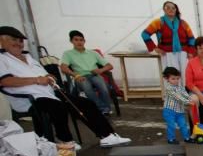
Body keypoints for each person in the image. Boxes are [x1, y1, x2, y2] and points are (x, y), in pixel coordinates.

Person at [0, 27, 129, 147]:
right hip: (31, 98)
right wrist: (37, 80)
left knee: (85, 103)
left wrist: (49, 76)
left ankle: (107, 136)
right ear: (1, 40)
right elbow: (5, 81)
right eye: (13, 40)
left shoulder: (28, 57)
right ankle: (65, 140)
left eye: (21, 41)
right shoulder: (2, 59)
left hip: (50, 92)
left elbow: (43, 73)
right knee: (58, 106)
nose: (18, 43)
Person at [59, 30, 114, 116]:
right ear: (71, 41)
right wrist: (75, 75)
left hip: (94, 75)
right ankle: (103, 108)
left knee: (103, 86)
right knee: (86, 86)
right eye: (76, 40)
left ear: (84, 41)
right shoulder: (68, 54)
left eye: (81, 40)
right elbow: (63, 68)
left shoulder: (93, 53)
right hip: (80, 76)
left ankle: (105, 109)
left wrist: (100, 70)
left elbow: (109, 66)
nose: (79, 42)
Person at [141, 1, 196, 84]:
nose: (171, 9)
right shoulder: (158, 22)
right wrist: (155, 48)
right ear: (164, 9)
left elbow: (191, 38)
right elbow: (145, 34)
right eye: (168, 7)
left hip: (183, 54)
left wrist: (191, 52)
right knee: (170, 76)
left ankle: (184, 94)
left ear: (176, 10)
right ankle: (172, 95)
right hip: (167, 54)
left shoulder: (183, 23)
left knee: (184, 75)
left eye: (173, 8)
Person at [161, 66, 196, 144]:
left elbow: (184, 94)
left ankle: (187, 138)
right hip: (169, 111)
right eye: (173, 79)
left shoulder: (180, 87)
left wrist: (190, 99)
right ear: (167, 79)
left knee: (183, 125)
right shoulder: (169, 88)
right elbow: (178, 97)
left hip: (180, 111)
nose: (176, 81)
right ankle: (171, 139)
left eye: (177, 78)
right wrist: (188, 102)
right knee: (171, 125)